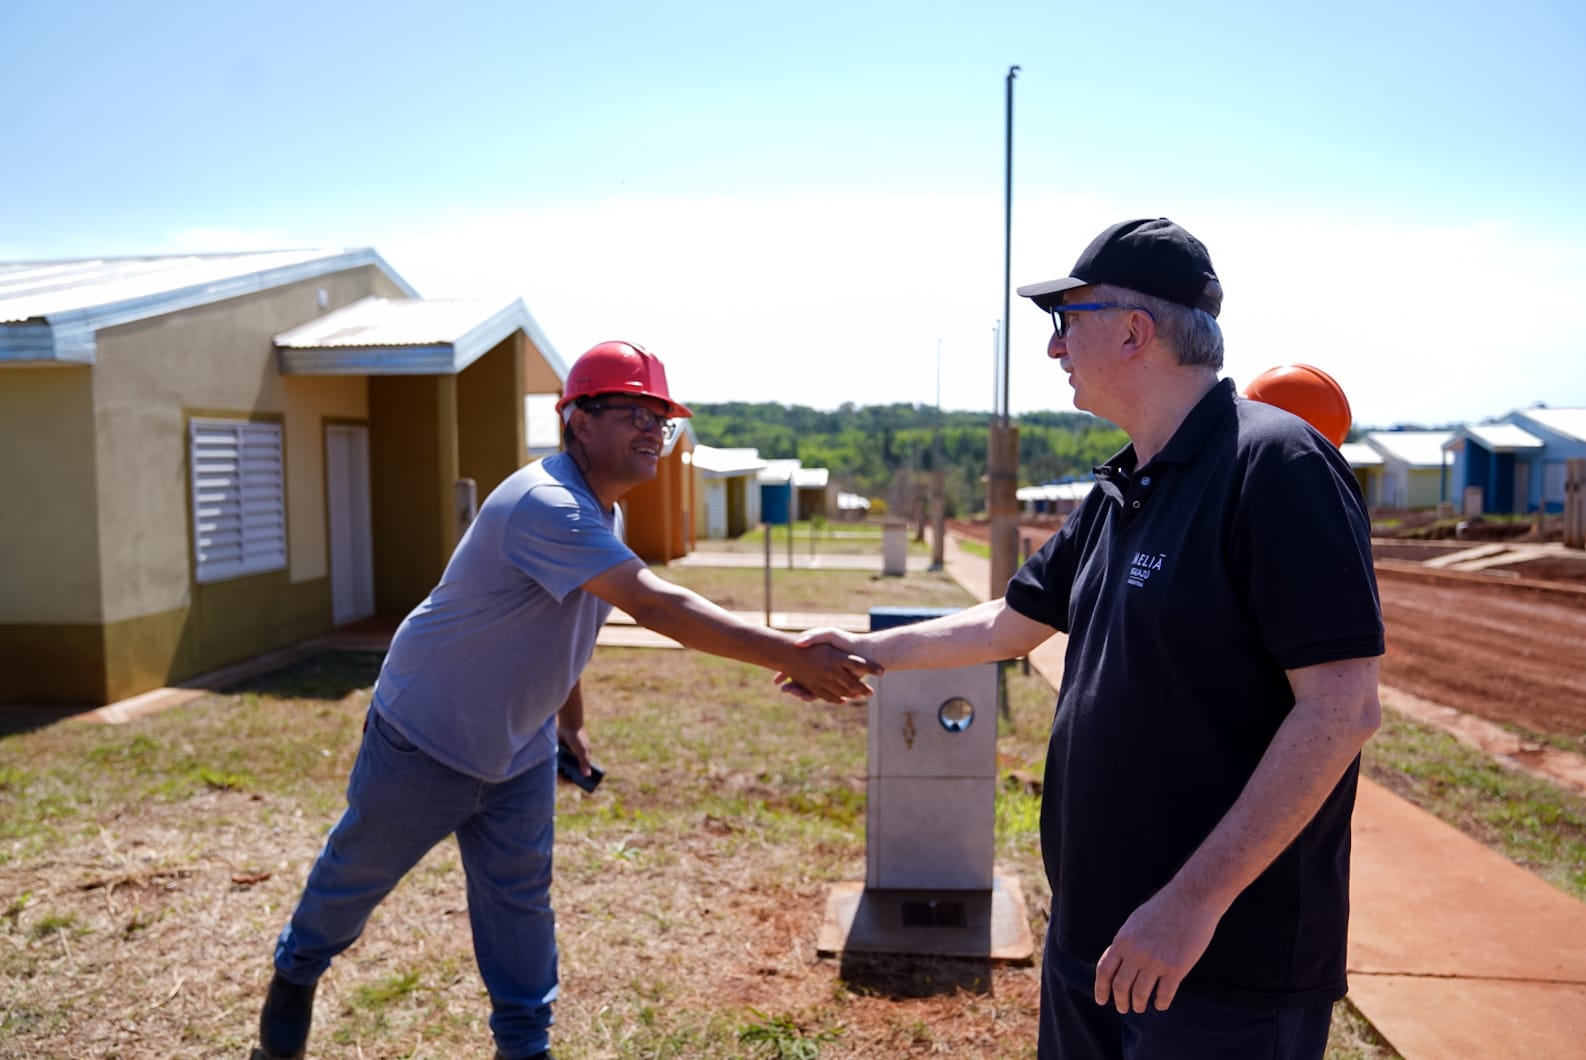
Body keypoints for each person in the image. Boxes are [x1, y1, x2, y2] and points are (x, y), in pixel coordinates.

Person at [788, 219, 1383, 1059]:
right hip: (1094, 937)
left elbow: (1341, 710)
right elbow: (1009, 622)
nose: (1054, 349)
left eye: (1067, 322)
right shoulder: (1125, 484)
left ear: (1135, 331)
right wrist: (862, 649)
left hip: (1214, 961)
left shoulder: (1276, 467)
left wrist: (1190, 906)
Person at [256, 340, 880, 1060]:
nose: (653, 432)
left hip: (518, 748)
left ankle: (525, 1047)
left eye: (662, 420)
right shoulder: (546, 503)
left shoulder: (602, 513)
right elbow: (656, 606)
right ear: (579, 421)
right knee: (356, 878)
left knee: (520, 907)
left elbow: (567, 628)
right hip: (425, 734)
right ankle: (295, 973)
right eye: (633, 414)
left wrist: (568, 725)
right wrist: (790, 652)